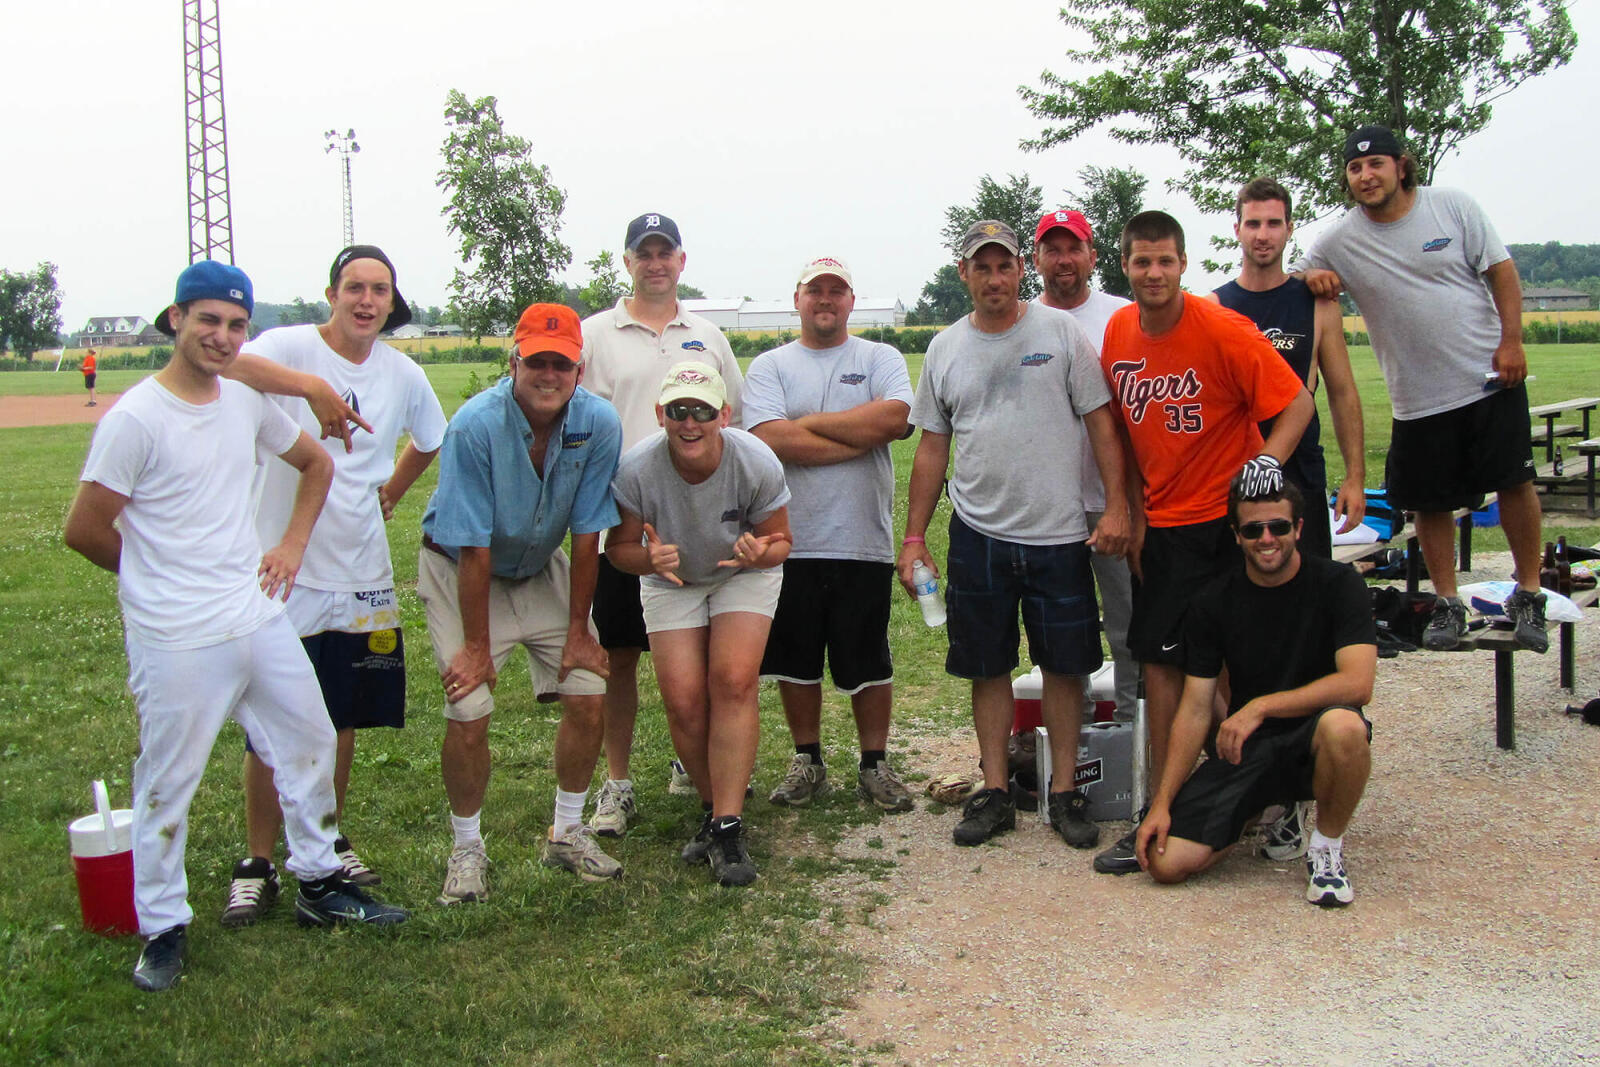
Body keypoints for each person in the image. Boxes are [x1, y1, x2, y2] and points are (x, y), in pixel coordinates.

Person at [63, 262, 408, 993]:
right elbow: (84, 528)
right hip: (176, 633)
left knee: (310, 735)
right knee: (168, 780)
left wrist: (288, 545)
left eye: (234, 324)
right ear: (176, 320)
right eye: (207, 320)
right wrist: (154, 578)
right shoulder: (135, 418)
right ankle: (162, 926)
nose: (220, 336)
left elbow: (315, 462)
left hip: (255, 611)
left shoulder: (244, 402)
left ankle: (318, 881)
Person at [216, 245, 447, 926]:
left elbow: (430, 438)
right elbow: (229, 362)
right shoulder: (290, 345)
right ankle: (257, 862)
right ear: (332, 293)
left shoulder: (402, 372)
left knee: (341, 715)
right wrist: (310, 388)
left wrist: (391, 493)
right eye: (354, 288)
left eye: (379, 289)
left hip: (361, 572)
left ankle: (326, 840)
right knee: (269, 721)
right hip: (282, 568)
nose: (367, 300)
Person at [1092, 210, 1314, 875]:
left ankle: (1284, 796)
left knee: (1243, 667)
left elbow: (1297, 404)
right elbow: (1127, 437)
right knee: (1162, 669)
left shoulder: (1221, 327)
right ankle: (1166, 801)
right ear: (1124, 266)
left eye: (1165, 261)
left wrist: (1260, 475)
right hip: (1165, 527)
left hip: (1228, 523)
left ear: (1184, 264)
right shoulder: (1119, 331)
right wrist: (1130, 511)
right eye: (1141, 262)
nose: (1153, 273)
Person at [899, 220, 1131, 850]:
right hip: (979, 532)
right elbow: (931, 448)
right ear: (964, 274)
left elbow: (1102, 424)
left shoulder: (1058, 334)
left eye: (1004, 267)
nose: (994, 278)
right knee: (988, 666)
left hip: (1057, 534)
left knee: (1065, 667)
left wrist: (1115, 508)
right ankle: (995, 790)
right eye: (982, 267)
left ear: (1019, 271)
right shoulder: (946, 348)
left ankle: (1063, 792)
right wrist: (915, 538)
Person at [1298, 124, 1548, 653]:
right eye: (1355, 168)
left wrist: (1512, 341)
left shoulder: (1451, 207)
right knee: (1429, 505)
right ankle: (1448, 604)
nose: (1366, 175)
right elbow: (1293, 274)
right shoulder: (1339, 238)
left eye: (1376, 164)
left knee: (1515, 484)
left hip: (1487, 380)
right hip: (1416, 399)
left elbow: (1501, 271)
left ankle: (1529, 593)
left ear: (1401, 166)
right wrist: (1312, 278)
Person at [420, 303, 622, 902]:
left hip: (537, 564)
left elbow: (588, 537)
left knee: (588, 692)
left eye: (562, 364)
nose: (549, 375)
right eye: (537, 361)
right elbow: (474, 547)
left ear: (579, 371)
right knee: (470, 705)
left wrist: (580, 632)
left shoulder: (598, 423)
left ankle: (566, 831)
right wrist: (478, 648)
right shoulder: (475, 426)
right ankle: (467, 850)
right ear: (515, 362)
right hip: (461, 566)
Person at [1135, 473, 1376, 907]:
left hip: (1316, 735)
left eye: (1279, 527)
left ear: (1299, 528)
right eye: (1252, 530)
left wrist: (1261, 706)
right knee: (1165, 862)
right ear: (1236, 535)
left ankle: (1326, 849)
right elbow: (1195, 707)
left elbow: (1358, 684)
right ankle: (1259, 813)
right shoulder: (1213, 602)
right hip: (1252, 747)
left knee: (1345, 727)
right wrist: (1162, 802)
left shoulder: (1339, 585)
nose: (1267, 539)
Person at [580, 213, 745, 835]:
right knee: (619, 658)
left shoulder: (707, 335)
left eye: (665, 252)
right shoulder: (596, 336)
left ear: (682, 261)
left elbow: (734, 426)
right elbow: (583, 430)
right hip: (619, 531)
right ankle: (617, 784)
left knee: (699, 659)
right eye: (643, 253)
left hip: (700, 529)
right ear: (627, 262)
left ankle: (693, 759)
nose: (655, 263)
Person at [607, 361, 792, 886]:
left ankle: (729, 824)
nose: (691, 423)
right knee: (683, 697)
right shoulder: (636, 469)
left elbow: (781, 542)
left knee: (732, 680)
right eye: (679, 411)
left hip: (740, 574)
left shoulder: (755, 460)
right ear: (661, 414)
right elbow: (619, 550)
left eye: (703, 411)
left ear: (724, 415)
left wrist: (759, 552)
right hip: (670, 579)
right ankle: (714, 810)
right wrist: (649, 561)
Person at [742, 256, 916, 812]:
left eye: (836, 290)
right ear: (797, 299)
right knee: (795, 659)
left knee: (868, 658)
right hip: (790, 538)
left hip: (861, 538)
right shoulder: (770, 365)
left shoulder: (879, 357)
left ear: (850, 300)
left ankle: (874, 764)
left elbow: (894, 421)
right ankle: (807, 760)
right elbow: (769, 439)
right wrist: (853, 434)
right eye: (815, 290)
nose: (825, 299)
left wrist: (807, 423)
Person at [1211, 178, 1366, 560]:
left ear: (1289, 229)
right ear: (1237, 230)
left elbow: (1343, 393)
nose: (1262, 235)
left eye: (1273, 223)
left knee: (1308, 599)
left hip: (1302, 473)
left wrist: (1355, 477)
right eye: (1253, 224)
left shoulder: (1318, 304)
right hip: (1236, 476)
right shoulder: (1215, 307)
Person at [1032, 209, 1138, 723]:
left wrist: (1125, 503)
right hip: (1048, 506)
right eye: (1052, 249)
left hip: (1111, 499)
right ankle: (1068, 731)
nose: (1064, 259)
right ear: (1037, 259)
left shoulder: (1123, 315)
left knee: (1128, 620)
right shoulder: (1023, 319)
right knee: (1060, 626)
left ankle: (1133, 725)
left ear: (1092, 256)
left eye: (1073, 247)